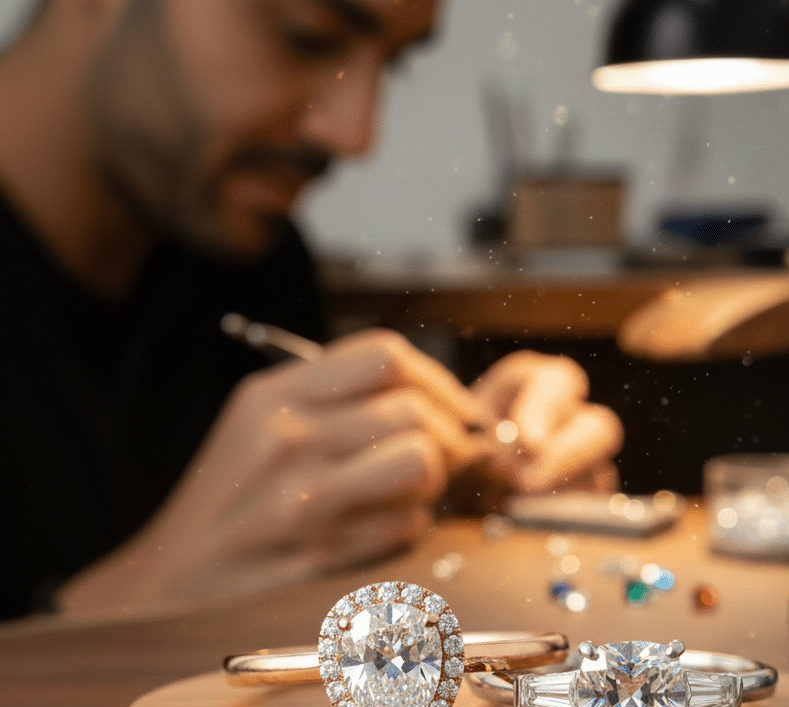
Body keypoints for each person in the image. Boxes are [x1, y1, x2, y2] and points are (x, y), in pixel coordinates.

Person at [0, 0, 623, 620]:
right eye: (309, 36)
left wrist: (453, 478)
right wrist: (128, 607)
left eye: (395, 64)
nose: (356, 135)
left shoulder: (249, 261)